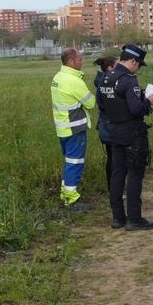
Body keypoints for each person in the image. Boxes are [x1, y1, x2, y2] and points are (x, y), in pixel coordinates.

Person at [100, 43, 153, 231]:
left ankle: (118, 218)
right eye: (139, 64)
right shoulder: (128, 80)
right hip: (133, 133)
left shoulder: (106, 78)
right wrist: (148, 101)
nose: (139, 68)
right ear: (133, 61)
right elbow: (136, 109)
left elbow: (102, 104)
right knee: (134, 175)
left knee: (117, 174)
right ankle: (134, 218)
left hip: (114, 131)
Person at [50, 47, 96, 209]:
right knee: (75, 163)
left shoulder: (58, 77)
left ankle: (66, 193)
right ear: (71, 62)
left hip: (62, 129)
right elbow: (91, 103)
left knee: (69, 162)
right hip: (75, 129)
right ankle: (71, 199)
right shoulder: (74, 80)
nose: (82, 62)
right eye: (80, 59)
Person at [92, 54, 117, 193]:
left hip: (105, 124)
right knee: (114, 158)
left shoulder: (101, 81)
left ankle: (112, 188)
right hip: (110, 124)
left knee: (112, 157)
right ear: (109, 68)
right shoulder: (109, 82)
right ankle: (114, 188)